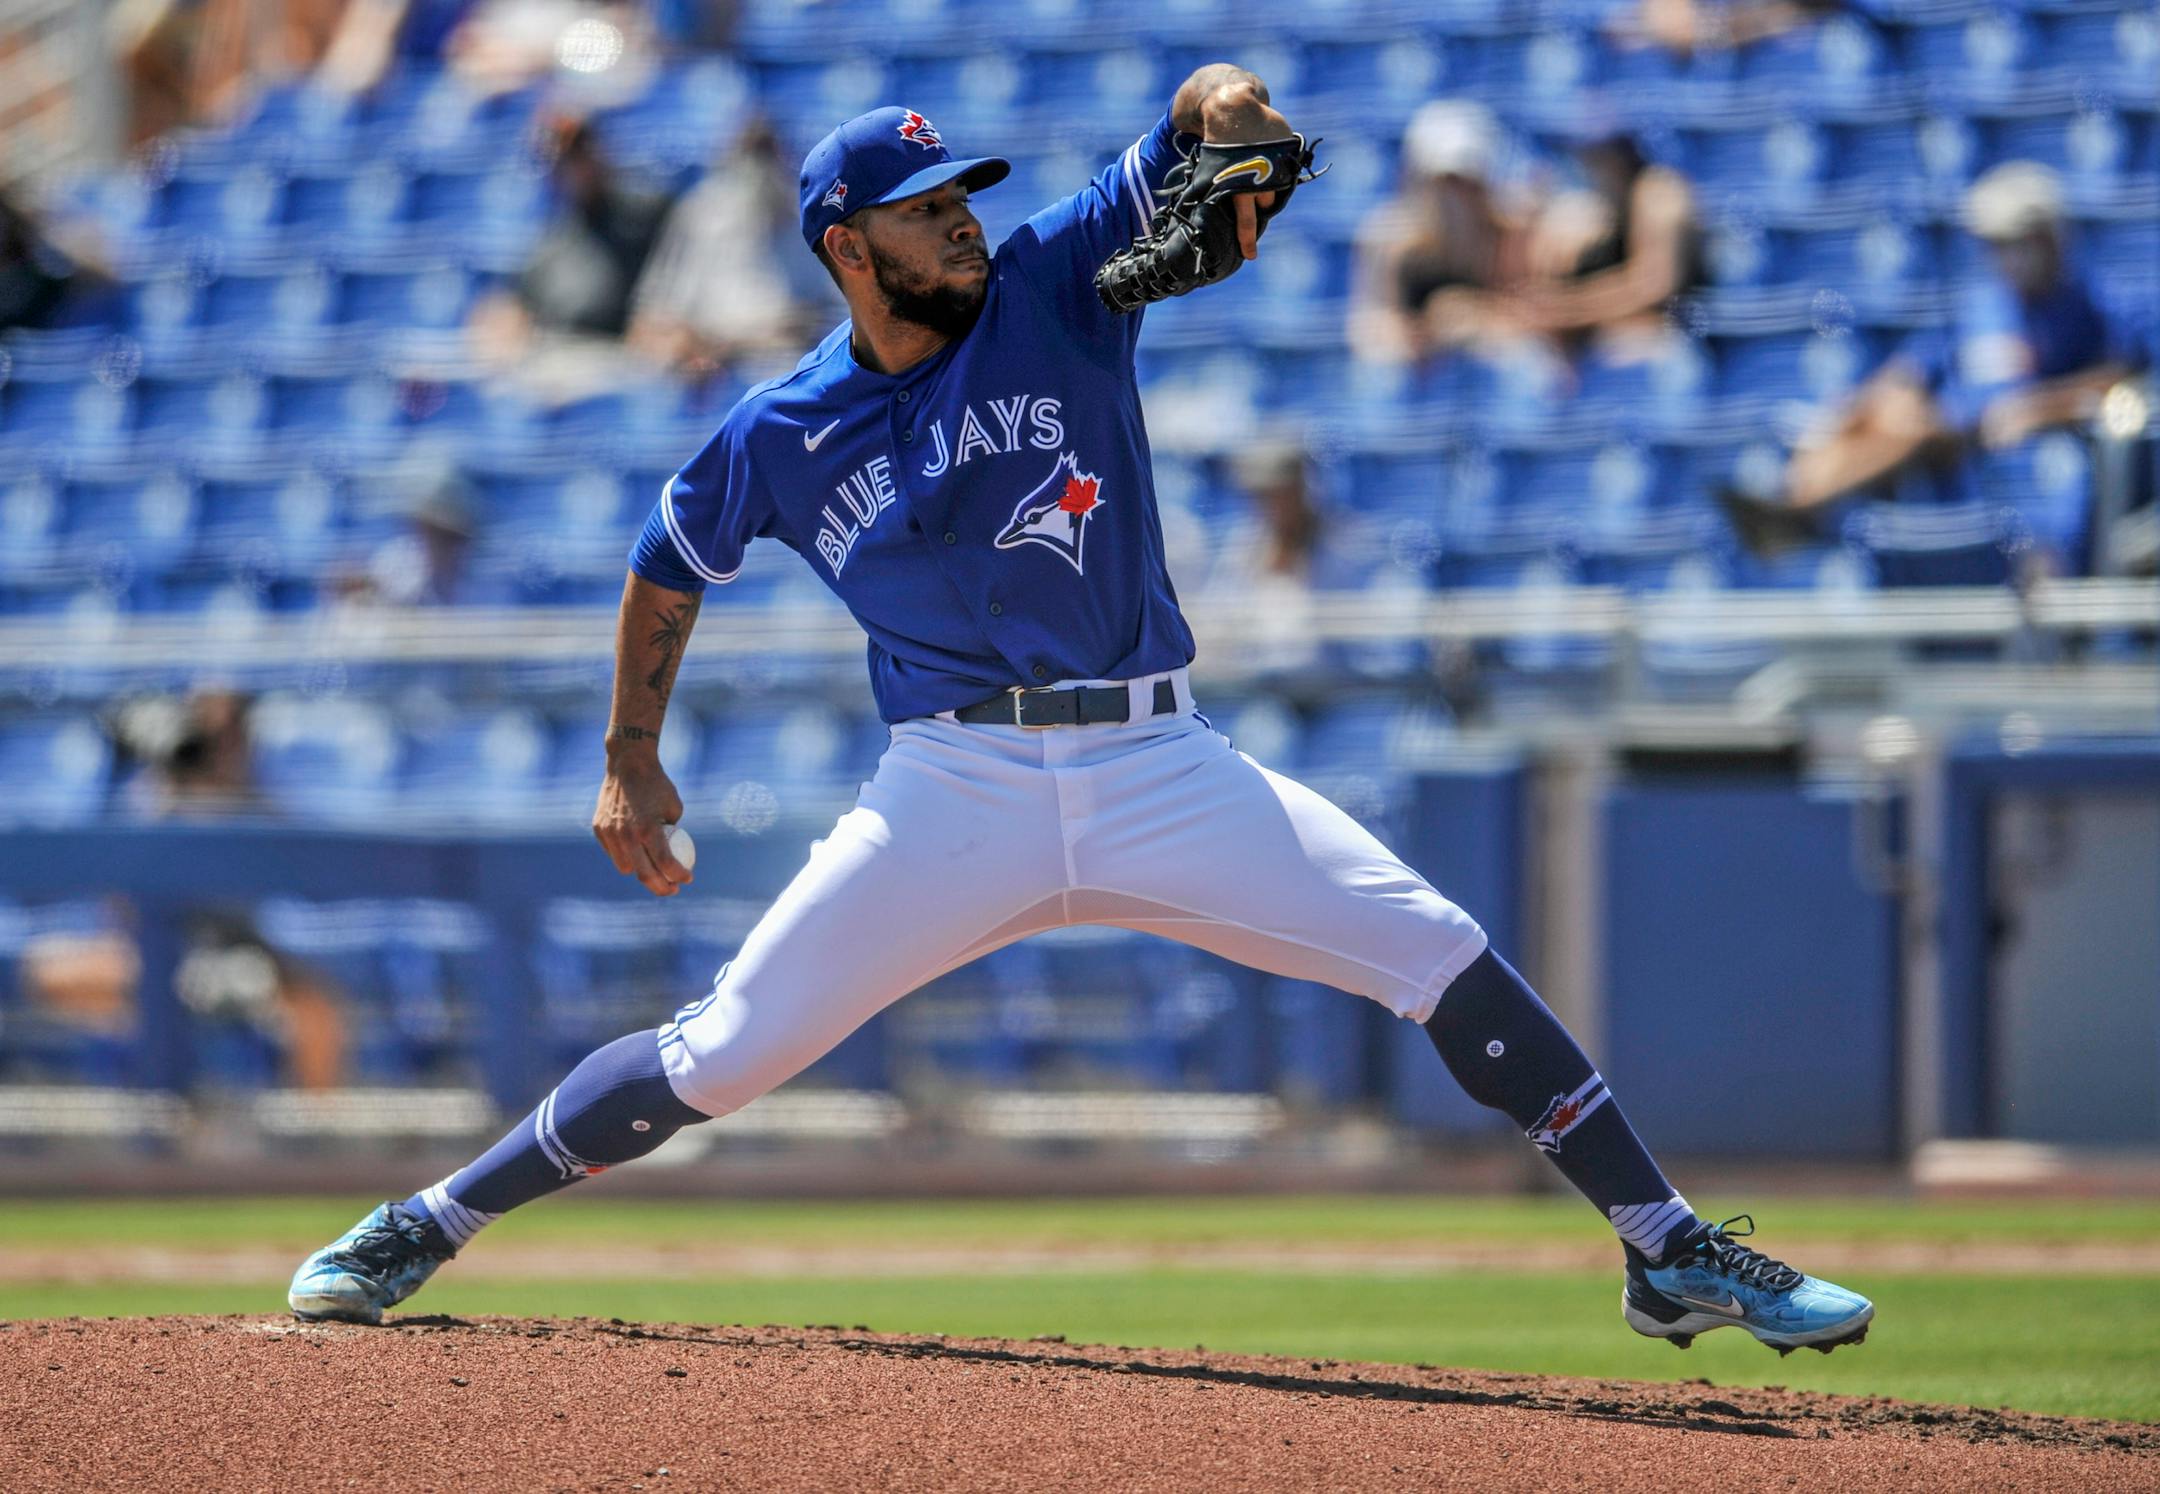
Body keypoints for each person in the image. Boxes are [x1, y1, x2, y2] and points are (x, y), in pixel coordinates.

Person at [288, 71, 1875, 1358]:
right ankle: (427, 1219)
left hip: (1160, 759)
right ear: (848, 245)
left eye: (965, 191)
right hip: (950, 788)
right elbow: (665, 565)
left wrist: (1228, 106)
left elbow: (1200, 119)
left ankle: (1667, 1250)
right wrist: (632, 759)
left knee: (1440, 951)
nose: (962, 221)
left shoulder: (1057, 283)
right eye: (925, 207)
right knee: (722, 1053)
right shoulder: (778, 430)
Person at [1721, 162, 2148, 553]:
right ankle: (1790, 502)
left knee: (1907, 425)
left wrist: (2034, 408)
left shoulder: (2091, 304)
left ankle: (1796, 511)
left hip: (1987, 441)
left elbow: (2119, 380)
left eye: (2017, 243)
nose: (2005, 258)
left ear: (2052, 241)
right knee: (1885, 406)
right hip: (1950, 424)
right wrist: (1846, 412)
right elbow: (1916, 365)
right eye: (1993, 245)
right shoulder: (1984, 305)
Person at [626, 115, 839, 380]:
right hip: (709, 371)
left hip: (790, 368)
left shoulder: (809, 224)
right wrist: (692, 344)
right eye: (752, 155)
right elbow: (653, 318)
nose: (760, 169)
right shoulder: (702, 214)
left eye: (766, 155)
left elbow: (839, 317)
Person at [1348, 100, 1528, 365]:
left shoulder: (1511, 229)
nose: (1454, 195)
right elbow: (1367, 326)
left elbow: (1531, 312)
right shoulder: (1386, 234)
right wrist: (1418, 333)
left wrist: (1476, 315)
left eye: (1465, 181)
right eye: (1445, 181)